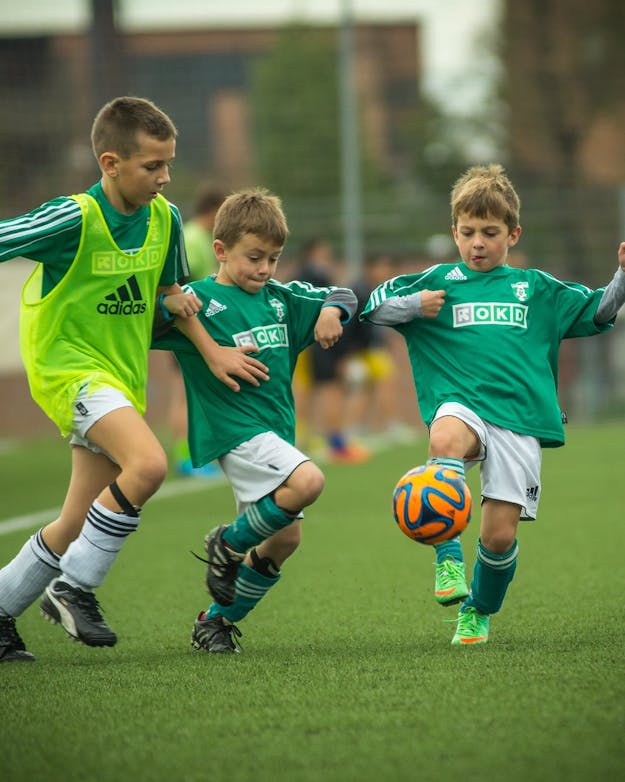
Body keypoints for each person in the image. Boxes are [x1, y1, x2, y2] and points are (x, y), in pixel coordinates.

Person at [0, 96, 268, 662]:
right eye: (152, 166)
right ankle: (74, 588)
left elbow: (173, 297)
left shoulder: (166, 218)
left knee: (75, 521)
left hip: (119, 381)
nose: (164, 178)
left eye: (168, 165)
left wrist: (213, 351)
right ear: (110, 163)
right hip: (68, 373)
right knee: (147, 465)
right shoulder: (73, 217)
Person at [361, 163, 625, 646]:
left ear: (513, 234)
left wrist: (622, 275)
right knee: (444, 438)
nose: (477, 242)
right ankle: (447, 560)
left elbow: (600, 310)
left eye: (489, 232)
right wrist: (415, 306)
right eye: (467, 233)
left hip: (519, 420)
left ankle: (478, 609)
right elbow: (373, 305)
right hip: (460, 404)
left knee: (499, 537)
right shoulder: (437, 282)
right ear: (453, 232)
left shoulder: (537, 289)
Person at [153, 189, 357, 653]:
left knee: (285, 540)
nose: (264, 269)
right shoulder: (199, 302)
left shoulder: (281, 299)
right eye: (253, 257)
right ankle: (225, 544)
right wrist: (168, 306)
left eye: (273, 258)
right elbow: (142, 320)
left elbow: (342, 292)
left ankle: (215, 623)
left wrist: (330, 310)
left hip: (275, 432)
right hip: (237, 432)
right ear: (221, 251)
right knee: (308, 480)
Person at [292, 238, 369, 462]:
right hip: (319, 343)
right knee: (329, 389)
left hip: (306, 343)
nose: (328, 259)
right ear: (312, 254)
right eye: (324, 254)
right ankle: (335, 444)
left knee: (309, 390)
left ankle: (306, 437)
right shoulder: (314, 277)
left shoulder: (300, 278)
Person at [167, 183, 226, 477]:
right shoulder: (191, 237)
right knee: (183, 392)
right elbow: (178, 283)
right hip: (184, 327)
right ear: (214, 210)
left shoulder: (203, 237)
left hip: (199, 327)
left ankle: (196, 453)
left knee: (196, 393)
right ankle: (183, 457)